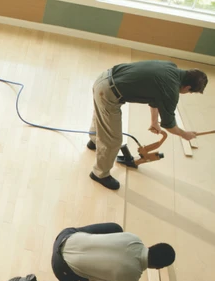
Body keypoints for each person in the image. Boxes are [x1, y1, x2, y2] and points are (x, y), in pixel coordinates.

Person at [87, 60, 208, 190]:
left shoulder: (170, 67)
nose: (187, 93)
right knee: (114, 141)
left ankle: (94, 140)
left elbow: (155, 97)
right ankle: (99, 174)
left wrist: (154, 121)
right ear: (188, 87)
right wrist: (185, 134)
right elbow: (169, 125)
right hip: (108, 93)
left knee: (102, 115)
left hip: (104, 79)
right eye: (190, 92)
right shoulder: (172, 90)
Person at [4, 223, 175, 281]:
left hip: (67, 235)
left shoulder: (134, 239)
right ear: (158, 267)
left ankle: (87, 277)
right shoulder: (131, 279)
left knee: (116, 229)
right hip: (62, 263)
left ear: (153, 245)